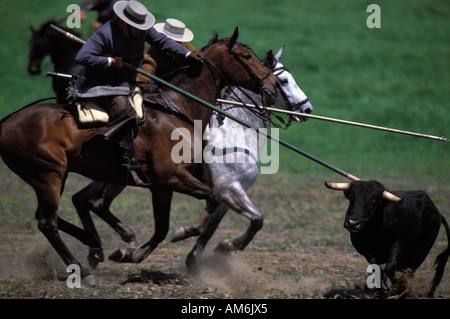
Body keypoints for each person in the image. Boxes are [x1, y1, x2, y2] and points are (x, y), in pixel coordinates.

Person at [75, 0, 203, 185]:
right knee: (124, 110)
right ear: (124, 23)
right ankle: (124, 158)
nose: (139, 31)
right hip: (104, 83)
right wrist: (110, 62)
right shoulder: (105, 33)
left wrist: (186, 54)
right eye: (135, 28)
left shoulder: (142, 29)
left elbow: (162, 41)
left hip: (127, 82)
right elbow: (82, 56)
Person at [136, 18, 198, 90]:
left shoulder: (186, 46)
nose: (174, 45)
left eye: (177, 42)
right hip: (161, 90)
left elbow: (196, 54)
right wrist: (146, 84)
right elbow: (145, 76)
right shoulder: (154, 53)